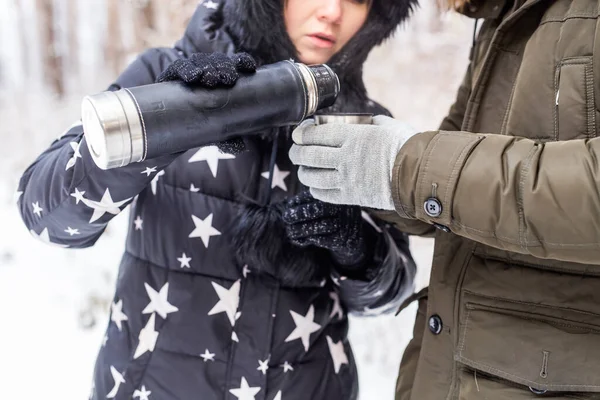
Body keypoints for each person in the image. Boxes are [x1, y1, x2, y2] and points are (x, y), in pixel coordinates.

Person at [16, 0, 418, 399]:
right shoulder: (163, 76)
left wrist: (359, 248)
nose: (332, 12)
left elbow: (389, 295)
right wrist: (167, 118)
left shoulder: (365, 124)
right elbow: (46, 214)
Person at [290, 0, 600, 398]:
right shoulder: (504, 18)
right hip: (448, 370)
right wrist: (372, 171)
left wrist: (403, 168)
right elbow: (450, 186)